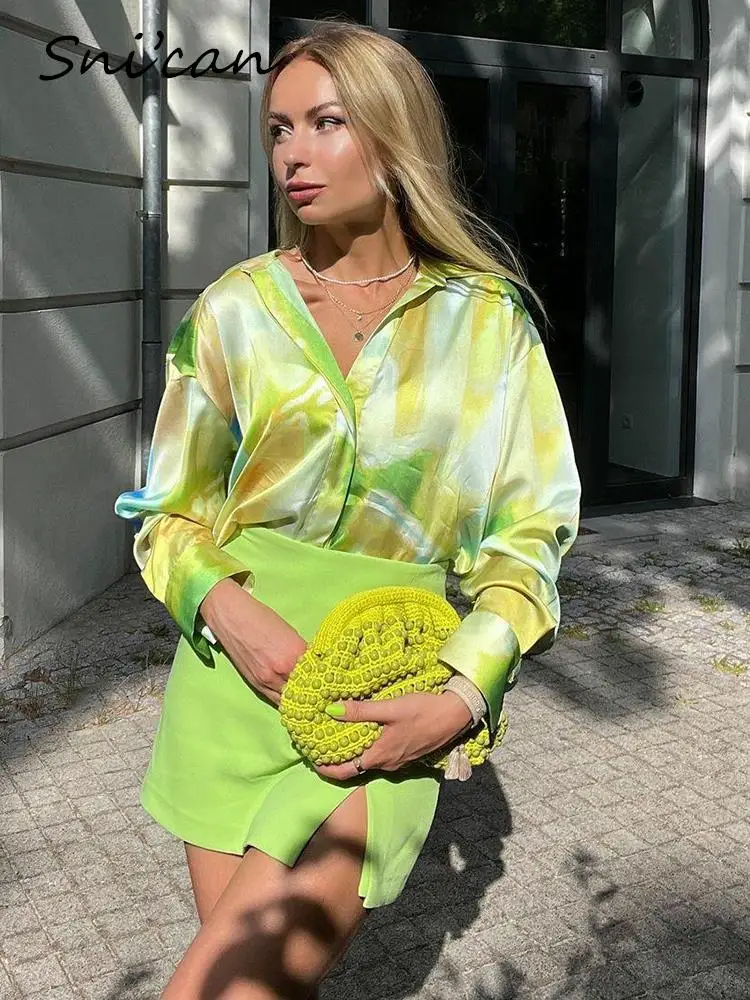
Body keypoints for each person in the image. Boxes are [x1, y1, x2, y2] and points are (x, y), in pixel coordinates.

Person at [113, 20, 581, 1000]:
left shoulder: (488, 323)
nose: (293, 153)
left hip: (381, 700)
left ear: (394, 132)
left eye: (326, 122)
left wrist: (462, 696)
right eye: (279, 128)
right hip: (232, 687)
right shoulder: (237, 310)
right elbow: (166, 509)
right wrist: (224, 607)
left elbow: (531, 533)